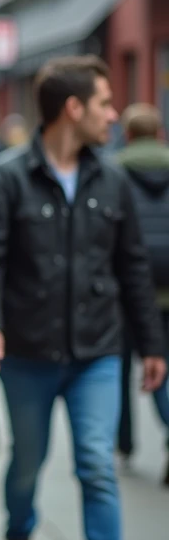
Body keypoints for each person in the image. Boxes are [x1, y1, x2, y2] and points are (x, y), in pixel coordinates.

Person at [0, 56, 167, 540]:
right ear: (73, 109)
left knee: (97, 465)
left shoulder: (112, 180)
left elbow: (133, 267)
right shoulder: (5, 176)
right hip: (27, 353)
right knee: (28, 466)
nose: (113, 113)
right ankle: (18, 536)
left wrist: (152, 345)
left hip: (97, 351)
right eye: (103, 102)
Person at [113, 103, 169, 482]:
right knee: (161, 365)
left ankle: (125, 441)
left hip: (128, 290)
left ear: (129, 134)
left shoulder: (112, 171)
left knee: (119, 369)